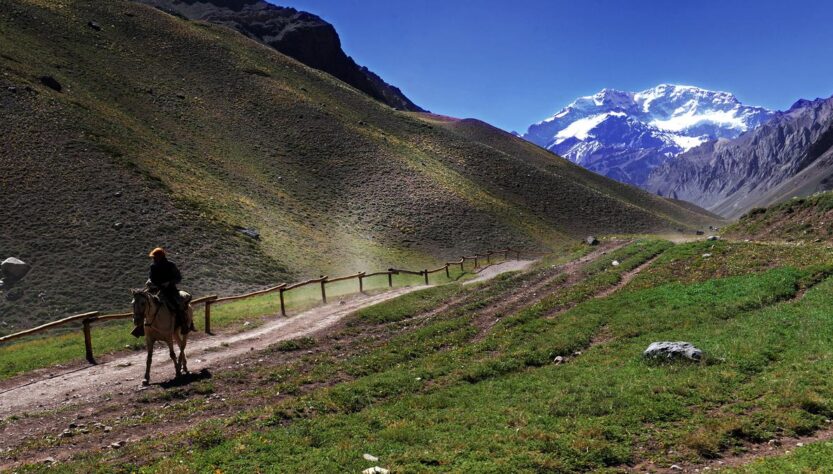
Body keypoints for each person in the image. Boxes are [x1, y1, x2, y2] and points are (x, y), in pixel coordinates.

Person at [147, 247, 192, 334]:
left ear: (160, 256)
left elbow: (178, 278)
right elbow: (151, 278)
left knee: (178, 305)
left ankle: (184, 325)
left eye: (155, 257)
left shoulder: (171, 265)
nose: (153, 259)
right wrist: (150, 282)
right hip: (156, 290)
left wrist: (169, 283)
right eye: (153, 257)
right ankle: (141, 327)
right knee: (143, 304)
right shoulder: (153, 266)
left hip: (170, 290)